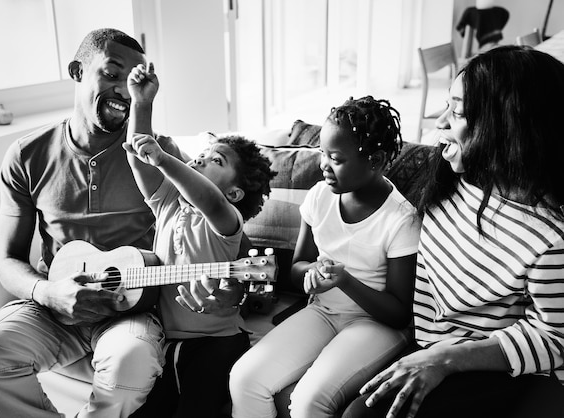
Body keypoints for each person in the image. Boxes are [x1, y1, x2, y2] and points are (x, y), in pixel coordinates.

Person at [0, 28, 188, 418]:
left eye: (133, 83)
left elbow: (193, 237)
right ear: (78, 71)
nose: (122, 92)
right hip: (54, 308)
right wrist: (47, 293)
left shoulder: (158, 154)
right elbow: (9, 261)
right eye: (112, 74)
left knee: (131, 362)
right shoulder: (26, 155)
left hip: (131, 308)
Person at [342, 45, 564, 418]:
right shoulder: (454, 175)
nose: (439, 123)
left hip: (494, 364)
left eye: (457, 111)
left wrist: (447, 359)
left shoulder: (551, 238)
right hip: (431, 345)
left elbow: (556, 338)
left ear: (507, 126)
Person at [229, 96, 422, 418]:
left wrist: (344, 280)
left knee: (308, 403)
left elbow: (399, 314)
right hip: (323, 311)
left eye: (336, 158)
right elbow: (296, 268)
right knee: (245, 378)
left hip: (374, 324)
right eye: (321, 153)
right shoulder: (320, 196)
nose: (324, 165)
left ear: (374, 160)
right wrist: (312, 273)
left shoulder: (401, 220)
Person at [122, 63, 276, 418]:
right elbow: (138, 162)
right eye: (203, 153)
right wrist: (141, 104)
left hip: (217, 344)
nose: (202, 158)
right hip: (164, 340)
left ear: (234, 193)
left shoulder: (225, 221)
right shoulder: (168, 204)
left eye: (215, 160)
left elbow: (208, 198)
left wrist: (165, 160)